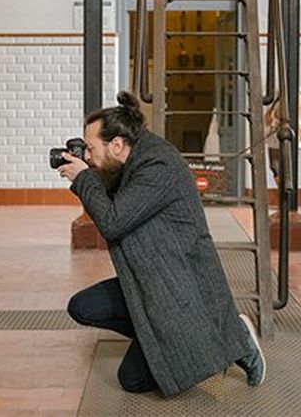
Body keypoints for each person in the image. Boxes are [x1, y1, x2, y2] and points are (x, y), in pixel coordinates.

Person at [58, 91, 266, 396]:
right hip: (150, 280)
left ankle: (234, 337)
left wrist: (84, 179)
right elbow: (116, 200)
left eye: (90, 148)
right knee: (83, 307)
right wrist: (87, 176)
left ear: (117, 144)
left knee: (131, 381)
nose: (87, 156)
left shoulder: (158, 165)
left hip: (179, 288)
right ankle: (159, 335)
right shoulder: (133, 158)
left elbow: (114, 221)